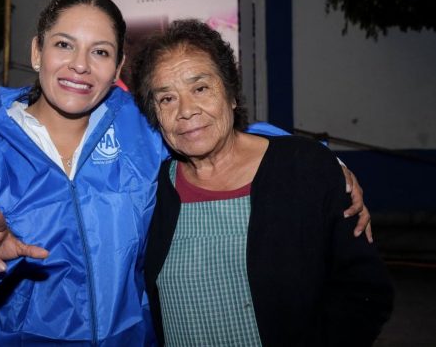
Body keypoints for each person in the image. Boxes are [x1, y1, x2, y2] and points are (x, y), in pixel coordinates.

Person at [0, 0, 370, 346]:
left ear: (118, 65)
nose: (80, 65)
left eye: (100, 52)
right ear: (37, 51)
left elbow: (214, 130)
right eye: (64, 45)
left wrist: (317, 160)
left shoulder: (140, 128)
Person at [131, 19, 394, 346]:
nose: (186, 111)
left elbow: (364, 291)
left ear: (231, 95)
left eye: (200, 88)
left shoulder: (304, 168)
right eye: (167, 99)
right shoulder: (152, 193)